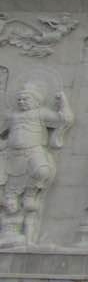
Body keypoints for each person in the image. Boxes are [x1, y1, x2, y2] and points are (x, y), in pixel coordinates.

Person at [0, 82, 73, 244]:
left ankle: (30, 194)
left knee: (42, 171)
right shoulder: (12, 117)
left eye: (26, 99)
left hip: (33, 151)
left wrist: (63, 103)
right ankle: (10, 204)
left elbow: (64, 120)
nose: (21, 102)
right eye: (19, 99)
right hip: (11, 155)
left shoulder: (41, 113)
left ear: (36, 101)